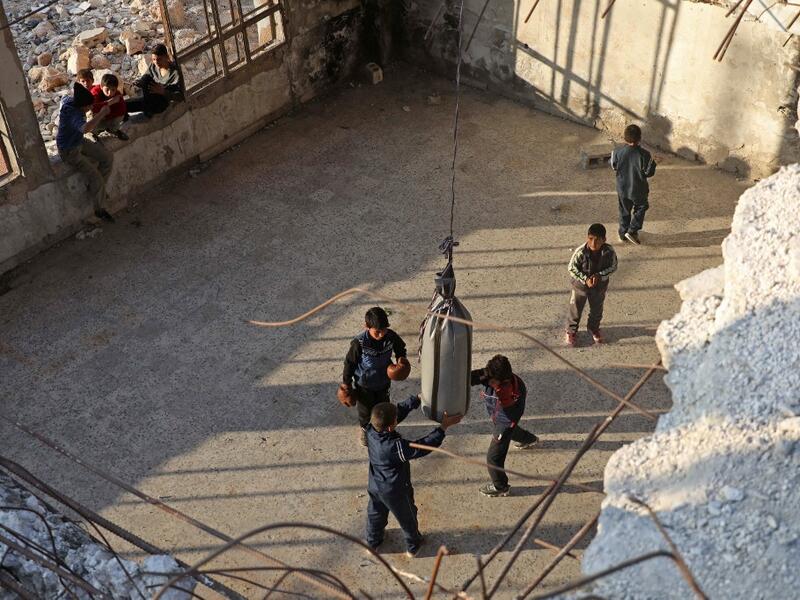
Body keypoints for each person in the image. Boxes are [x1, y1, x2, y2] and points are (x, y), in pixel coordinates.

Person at [365, 397, 462, 557]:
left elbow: (396, 414)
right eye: (396, 419)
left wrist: (416, 399)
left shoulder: (371, 429)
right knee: (407, 516)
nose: (398, 418)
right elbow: (423, 447)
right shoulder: (394, 447)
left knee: (375, 512)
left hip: (375, 484)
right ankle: (414, 546)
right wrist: (443, 427)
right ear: (390, 428)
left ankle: (373, 541)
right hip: (394, 490)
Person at [471, 355, 539, 497]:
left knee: (493, 457)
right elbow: (474, 377)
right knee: (512, 432)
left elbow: (508, 420)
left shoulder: (507, 395)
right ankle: (529, 439)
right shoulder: (494, 374)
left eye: (492, 381)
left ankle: (500, 486)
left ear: (503, 381)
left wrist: (502, 429)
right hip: (502, 418)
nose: (488, 382)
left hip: (506, 421)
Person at [341, 307, 409, 446]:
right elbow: (350, 363)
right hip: (364, 385)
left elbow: (400, 348)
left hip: (384, 382)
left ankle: (384, 430)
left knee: (383, 409)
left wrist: (401, 360)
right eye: (377, 331)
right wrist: (346, 384)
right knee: (365, 411)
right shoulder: (359, 343)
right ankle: (366, 431)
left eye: (384, 329)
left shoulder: (391, 336)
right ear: (366, 327)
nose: (381, 334)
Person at [56, 83, 115, 223]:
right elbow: (86, 128)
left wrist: (106, 103)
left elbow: (87, 104)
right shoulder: (74, 114)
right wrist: (101, 114)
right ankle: (99, 210)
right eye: (88, 107)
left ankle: (97, 189)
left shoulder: (70, 101)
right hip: (69, 150)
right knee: (97, 179)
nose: (90, 108)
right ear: (82, 106)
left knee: (107, 158)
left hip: (78, 141)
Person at [565, 223, 618, 346]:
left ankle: (593, 328)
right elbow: (571, 268)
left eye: (597, 240)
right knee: (576, 309)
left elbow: (613, 266)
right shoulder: (581, 252)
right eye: (590, 239)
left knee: (597, 309)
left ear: (604, 240)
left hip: (599, 287)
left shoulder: (609, 251)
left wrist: (599, 275)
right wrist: (585, 279)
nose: (593, 243)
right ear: (587, 238)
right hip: (580, 286)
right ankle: (571, 331)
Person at [611, 124, 657, 245]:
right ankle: (633, 230)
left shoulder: (617, 151)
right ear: (639, 138)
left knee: (624, 210)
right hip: (638, 190)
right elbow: (648, 173)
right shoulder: (645, 154)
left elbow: (614, 166)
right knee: (641, 207)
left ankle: (622, 233)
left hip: (622, 189)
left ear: (625, 138)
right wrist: (654, 163)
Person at [126, 43, 183, 117]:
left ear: (166, 57)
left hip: (162, 102)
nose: (156, 62)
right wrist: (137, 83)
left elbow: (181, 96)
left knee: (138, 104)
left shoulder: (175, 73)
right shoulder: (153, 66)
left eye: (159, 59)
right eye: (154, 59)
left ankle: (148, 109)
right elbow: (145, 78)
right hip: (150, 99)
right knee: (125, 105)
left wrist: (164, 92)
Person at [90, 73, 129, 140]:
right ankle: (94, 133)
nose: (110, 93)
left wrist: (107, 116)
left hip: (107, 117)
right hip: (98, 118)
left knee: (121, 116)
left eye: (113, 90)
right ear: (101, 87)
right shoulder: (95, 91)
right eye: (107, 89)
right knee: (92, 118)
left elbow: (122, 110)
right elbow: (93, 107)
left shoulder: (117, 94)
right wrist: (110, 102)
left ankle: (112, 130)